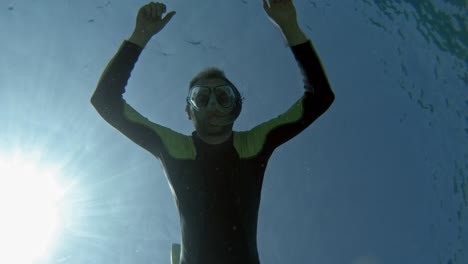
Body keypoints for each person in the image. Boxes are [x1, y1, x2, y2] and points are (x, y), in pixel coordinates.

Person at [90, 0, 335, 263]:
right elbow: (105, 100)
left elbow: (320, 97)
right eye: (202, 99)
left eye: (223, 96)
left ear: (236, 105)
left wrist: (289, 25)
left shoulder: (254, 142)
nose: (214, 105)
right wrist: (140, 35)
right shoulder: (175, 147)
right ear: (189, 112)